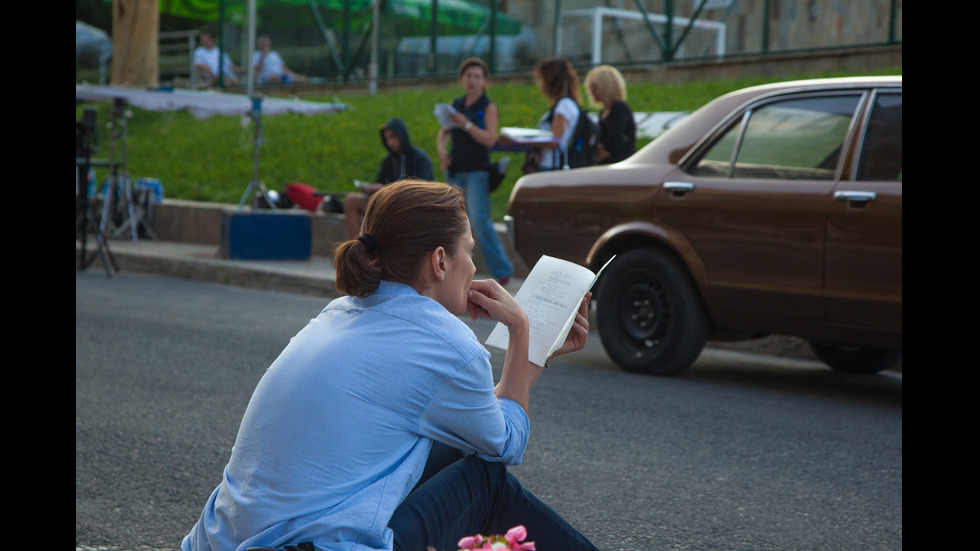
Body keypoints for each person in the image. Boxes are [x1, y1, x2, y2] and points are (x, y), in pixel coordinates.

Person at [181, 179, 598, 551]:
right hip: (313, 546)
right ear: (440, 261)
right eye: (469, 251)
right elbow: (505, 445)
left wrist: (534, 355)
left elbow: (482, 424)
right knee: (486, 481)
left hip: (220, 541)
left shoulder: (342, 310)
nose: (474, 266)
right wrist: (522, 329)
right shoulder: (447, 343)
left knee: (462, 442)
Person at [437, 57, 514, 285]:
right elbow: (444, 131)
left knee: (479, 219)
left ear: (484, 81)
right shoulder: (456, 104)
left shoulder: (488, 107)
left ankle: (502, 270)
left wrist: (467, 125)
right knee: (453, 220)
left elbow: (490, 139)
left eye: (477, 76)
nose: (472, 81)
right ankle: (450, 268)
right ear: (462, 79)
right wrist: (442, 151)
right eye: (468, 76)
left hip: (477, 171)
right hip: (455, 169)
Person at [344, 117, 433, 238]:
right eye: (386, 139)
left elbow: (421, 188)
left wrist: (387, 189)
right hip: (386, 203)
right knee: (351, 200)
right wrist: (371, 188)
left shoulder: (420, 158)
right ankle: (355, 249)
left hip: (409, 206)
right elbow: (379, 182)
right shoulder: (388, 160)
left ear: (401, 135)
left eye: (393, 137)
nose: (389, 142)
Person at [529, 56, 582, 172]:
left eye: (541, 79)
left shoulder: (564, 105)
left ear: (551, 80)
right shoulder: (563, 104)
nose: (539, 84)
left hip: (550, 165)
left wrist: (521, 141)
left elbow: (554, 141)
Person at [584, 65, 637, 164]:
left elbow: (613, 143)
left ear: (606, 87)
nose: (591, 91)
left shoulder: (620, 109)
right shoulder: (603, 112)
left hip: (619, 165)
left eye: (595, 87)